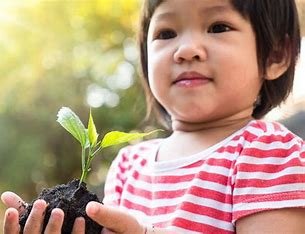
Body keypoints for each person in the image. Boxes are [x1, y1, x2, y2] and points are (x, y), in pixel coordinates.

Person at [2, 0, 305, 233]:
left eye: (218, 27)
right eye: (166, 33)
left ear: (275, 55)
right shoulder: (128, 167)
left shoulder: (271, 156)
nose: (186, 50)